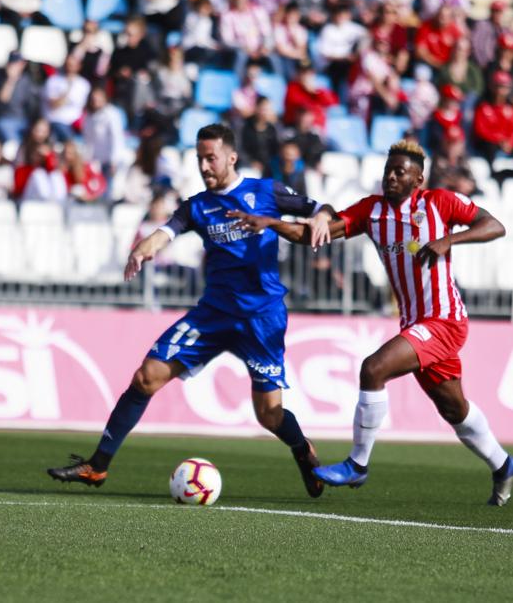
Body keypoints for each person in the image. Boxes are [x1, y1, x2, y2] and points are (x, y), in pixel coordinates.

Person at [232, 140, 513, 505]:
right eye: (388, 170)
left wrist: (450, 239)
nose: (390, 176)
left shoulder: (439, 203)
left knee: (373, 369)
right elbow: (314, 235)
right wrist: (271, 223)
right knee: (454, 408)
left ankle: (358, 463)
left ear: (418, 178)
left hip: (444, 320)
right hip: (416, 323)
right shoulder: (372, 212)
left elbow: (493, 225)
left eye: (400, 171)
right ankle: (504, 465)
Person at [47, 124, 332, 498]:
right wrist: (146, 245)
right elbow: (167, 230)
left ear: (231, 157)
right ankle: (97, 466)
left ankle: (301, 448)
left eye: (210, 157)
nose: (204, 165)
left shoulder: (265, 191)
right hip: (212, 315)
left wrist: (323, 217)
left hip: (261, 318)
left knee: (269, 414)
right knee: (145, 377)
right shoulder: (198, 205)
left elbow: (320, 209)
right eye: (199, 158)